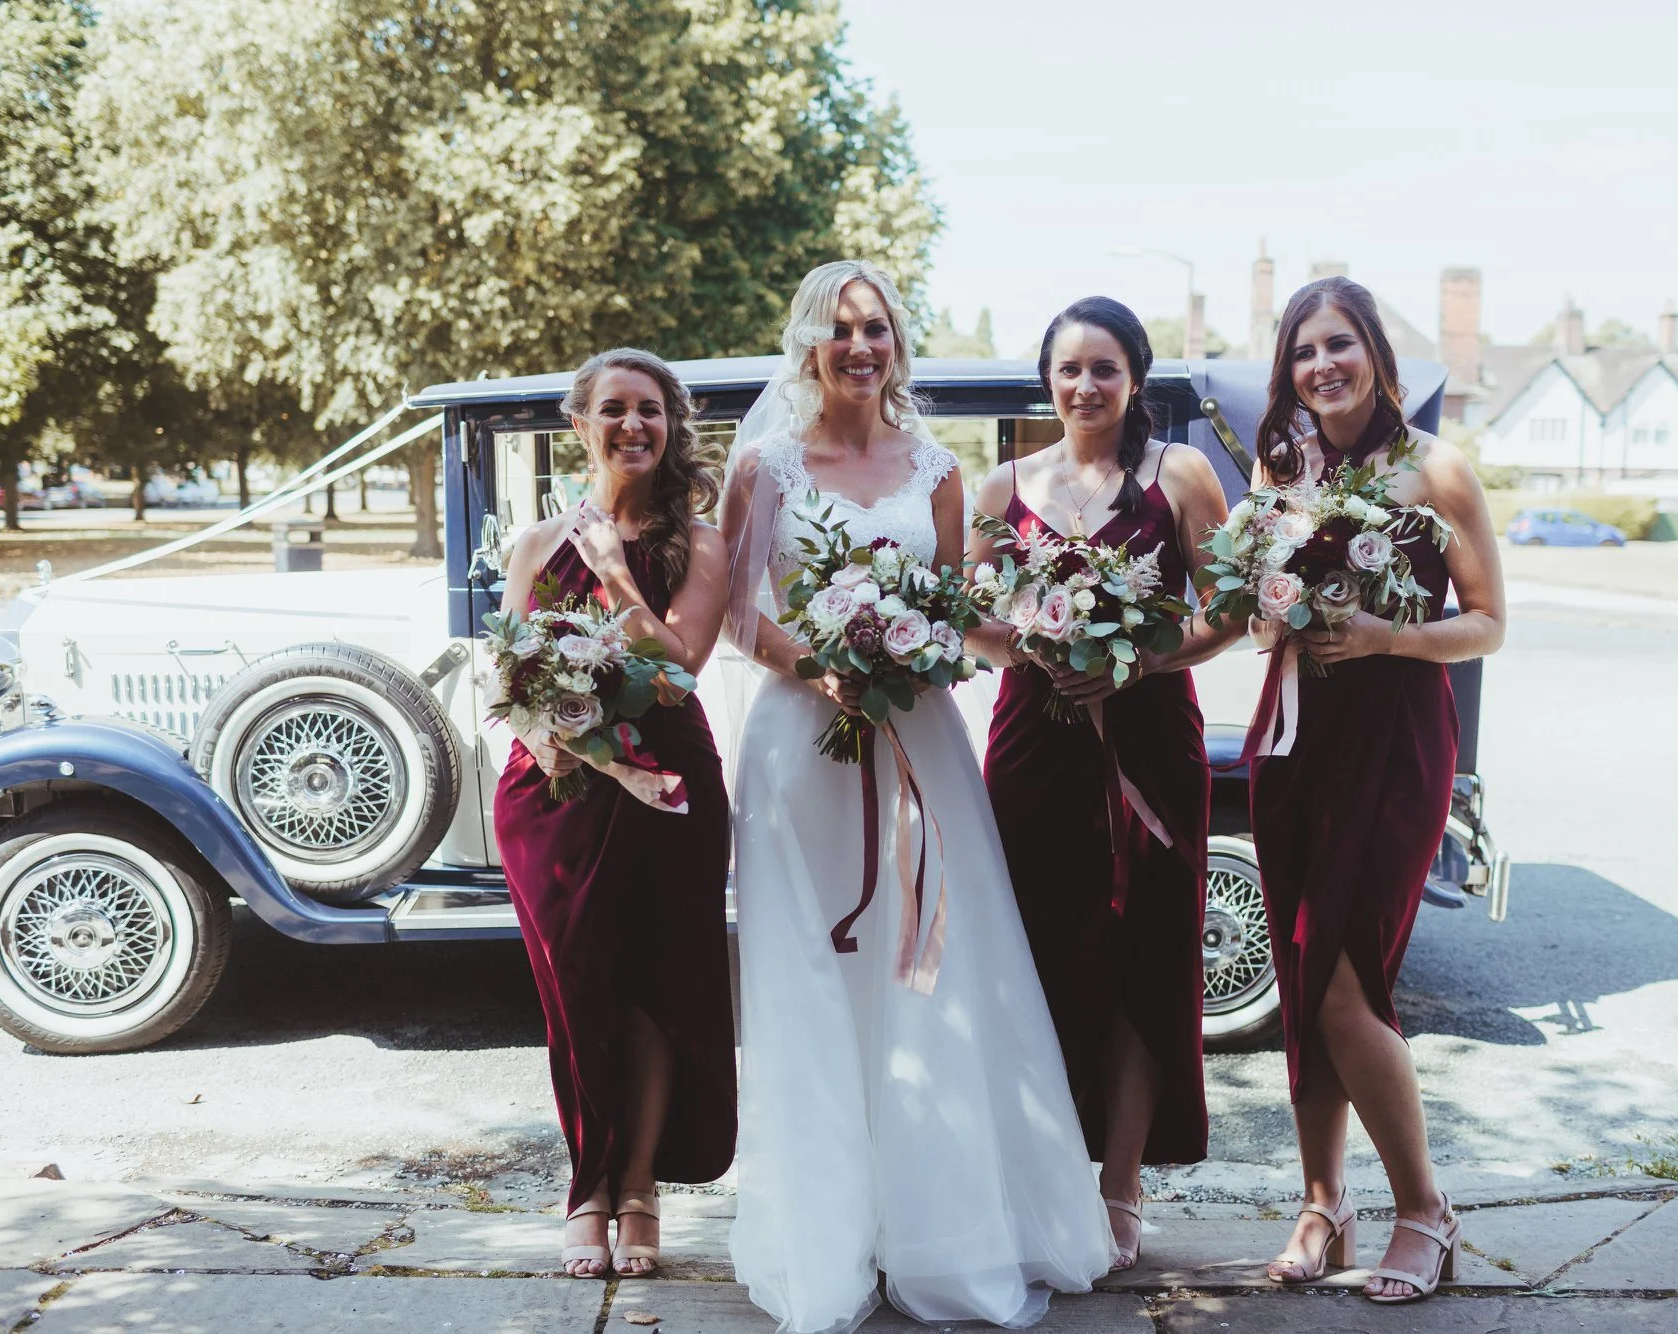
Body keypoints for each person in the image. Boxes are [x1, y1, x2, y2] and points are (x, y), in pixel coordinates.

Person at [722, 260, 1112, 1333]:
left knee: (929, 969)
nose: (861, 345)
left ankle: (942, 1227)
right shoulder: (762, 466)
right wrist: (819, 665)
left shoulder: (934, 467)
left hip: (917, 746)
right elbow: (735, 615)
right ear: (809, 340)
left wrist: (1039, 636)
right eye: (841, 328)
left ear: (896, 343)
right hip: (800, 749)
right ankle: (826, 1230)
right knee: (815, 971)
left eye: (878, 328)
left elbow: (959, 610)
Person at [1232, 278, 1506, 1303]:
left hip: (1392, 736)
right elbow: (1255, 619)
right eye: (1302, 352)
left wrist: (1391, 634)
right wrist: (1269, 586)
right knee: (1300, 974)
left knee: (1345, 980)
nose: (1320, 367)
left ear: (1376, 355)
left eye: (1336, 344)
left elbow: (1485, 622)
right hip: (1293, 730)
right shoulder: (1281, 466)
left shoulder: (1437, 469)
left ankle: (1424, 1210)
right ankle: (1320, 1204)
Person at [968, 297, 1232, 1271]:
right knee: (1034, 957)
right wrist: (1033, 639)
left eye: (1104, 368)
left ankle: (1119, 1187)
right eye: (1068, 368)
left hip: (1150, 741)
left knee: (1141, 955)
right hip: (1034, 744)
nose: (1085, 386)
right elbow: (966, 619)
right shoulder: (1002, 485)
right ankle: (1036, 1179)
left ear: (1134, 377)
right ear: (1047, 380)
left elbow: (1234, 606)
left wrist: (1141, 659)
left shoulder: (1182, 474)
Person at [491, 348, 735, 1281]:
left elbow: (677, 672)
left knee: (656, 987)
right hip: (553, 791)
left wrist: (616, 576)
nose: (633, 426)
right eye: (614, 410)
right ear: (582, 425)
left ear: (672, 425)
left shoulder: (697, 543)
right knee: (577, 991)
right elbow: (511, 673)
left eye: (650, 411)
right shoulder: (531, 545)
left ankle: (635, 1190)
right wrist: (547, 728)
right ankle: (583, 1185)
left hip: (669, 786)